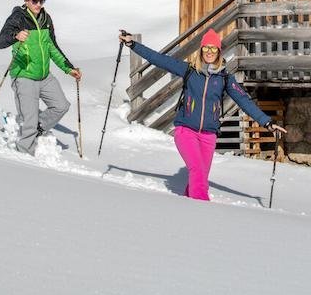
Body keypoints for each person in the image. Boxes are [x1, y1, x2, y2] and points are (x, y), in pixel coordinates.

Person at [120, 28, 286, 201]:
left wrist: (267, 122)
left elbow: (244, 101)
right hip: (186, 131)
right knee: (198, 171)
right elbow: (159, 59)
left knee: (199, 179)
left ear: (219, 52)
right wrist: (133, 44)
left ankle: (190, 214)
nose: (209, 52)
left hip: (208, 136)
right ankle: (204, 212)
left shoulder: (225, 78)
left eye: (213, 48)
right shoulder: (189, 71)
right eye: (206, 48)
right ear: (201, 50)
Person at [0, 0, 81, 154]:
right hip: (24, 75)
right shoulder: (18, 18)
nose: (38, 4)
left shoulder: (46, 19)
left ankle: (37, 128)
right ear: (27, 0)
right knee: (29, 122)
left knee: (61, 105)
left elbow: (53, 47)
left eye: (41, 1)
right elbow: (0, 41)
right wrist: (15, 35)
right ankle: (24, 156)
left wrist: (68, 68)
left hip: (44, 76)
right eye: (35, 1)